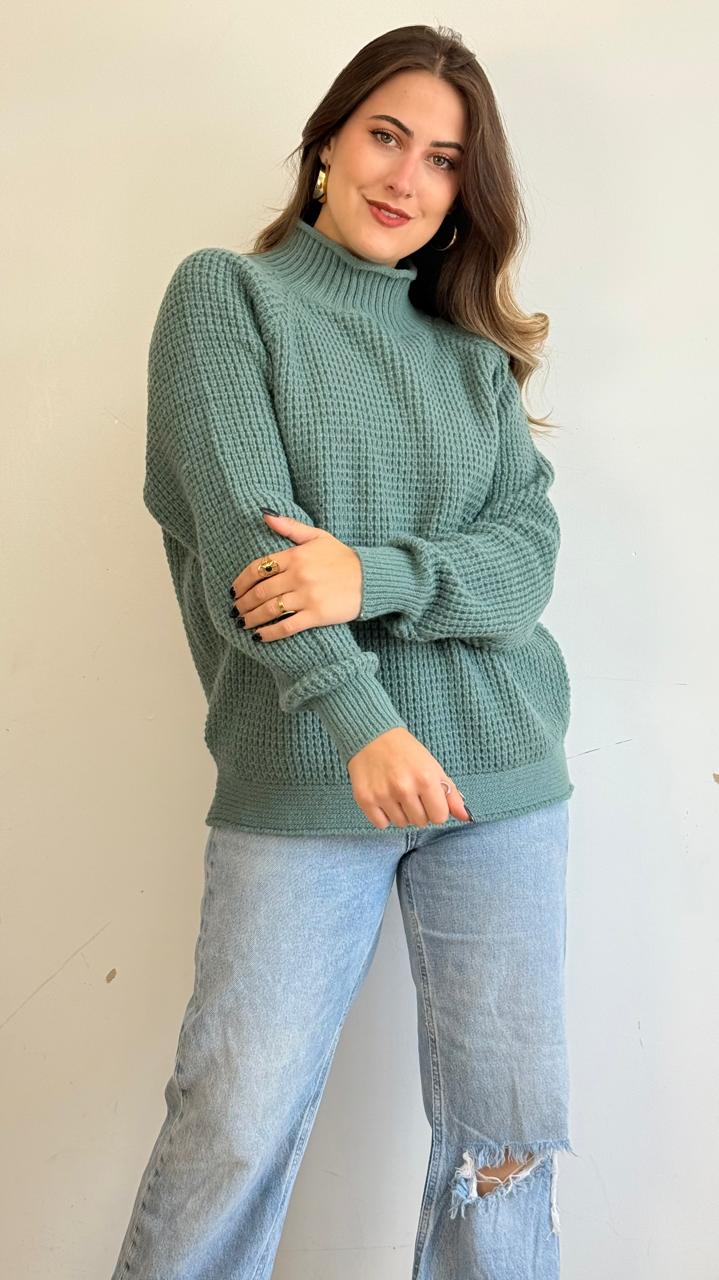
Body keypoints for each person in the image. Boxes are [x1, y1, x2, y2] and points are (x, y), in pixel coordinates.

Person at [110, 22, 578, 1280]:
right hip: (312, 771)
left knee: (505, 1145)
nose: (404, 177)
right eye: (385, 135)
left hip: (501, 782)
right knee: (232, 1123)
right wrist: (362, 722)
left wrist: (374, 573)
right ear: (326, 141)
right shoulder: (226, 297)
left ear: (463, 193)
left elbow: (524, 559)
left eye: (442, 160)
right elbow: (249, 548)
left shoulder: (471, 354)